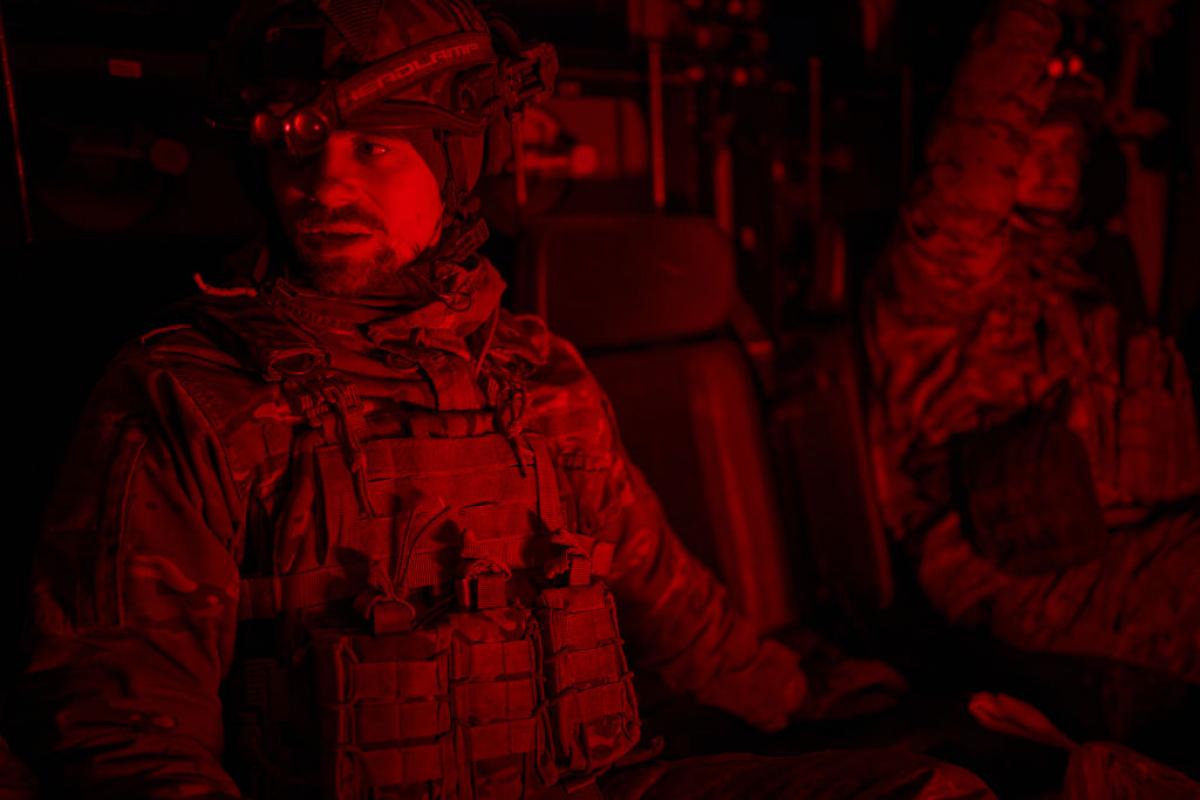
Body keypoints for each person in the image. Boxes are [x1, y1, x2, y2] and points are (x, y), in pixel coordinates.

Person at [7, 0, 993, 797]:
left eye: (375, 148)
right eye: (300, 151)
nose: (323, 184)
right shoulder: (190, 395)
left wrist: (801, 697)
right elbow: (122, 727)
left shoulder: (535, 374)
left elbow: (666, 596)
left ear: (456, 162)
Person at [865, 0, 1198, 698]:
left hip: (1127, 545)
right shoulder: (943, 273)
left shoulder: (1081, 286)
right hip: (1016, 579)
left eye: (1067, 150)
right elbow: (974, 153)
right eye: (1033, 151)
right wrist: (1031, 15)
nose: (1055, 168)